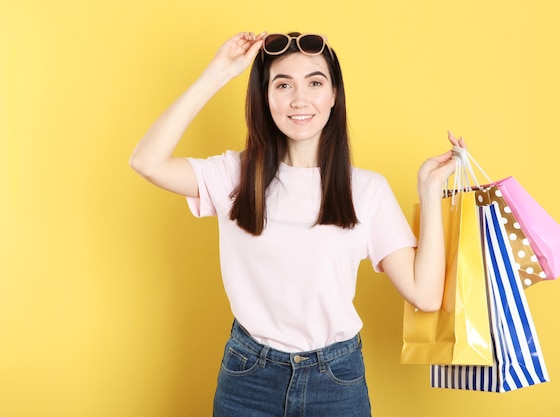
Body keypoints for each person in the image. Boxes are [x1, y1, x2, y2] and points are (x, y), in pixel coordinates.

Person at [130, 31, 465, 417]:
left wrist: (429, 190)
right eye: (283, 84)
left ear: (334, 95)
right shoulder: (233, 175)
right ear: (265, 97)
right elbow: (146, 162)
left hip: (336, 381)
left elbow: (425, 295)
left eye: (315, 82)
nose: (299, 99)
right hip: (248, 378)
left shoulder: (367, 190)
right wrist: (218, 73)